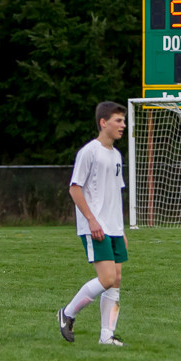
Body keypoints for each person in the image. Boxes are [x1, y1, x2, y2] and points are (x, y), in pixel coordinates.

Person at [57, 101, 128, 346]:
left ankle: (106, 336)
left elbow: (116, 194)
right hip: (96, 226)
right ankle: (67, 313)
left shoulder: (116, 155)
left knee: (116, 279)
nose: (123, 125)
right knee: (107, 278)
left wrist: (121, 229)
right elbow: (74, 188)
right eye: (118, 120)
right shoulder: (89, 152)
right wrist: (91, 220)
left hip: (113, 227)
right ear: (103, 122)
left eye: (123, 121)